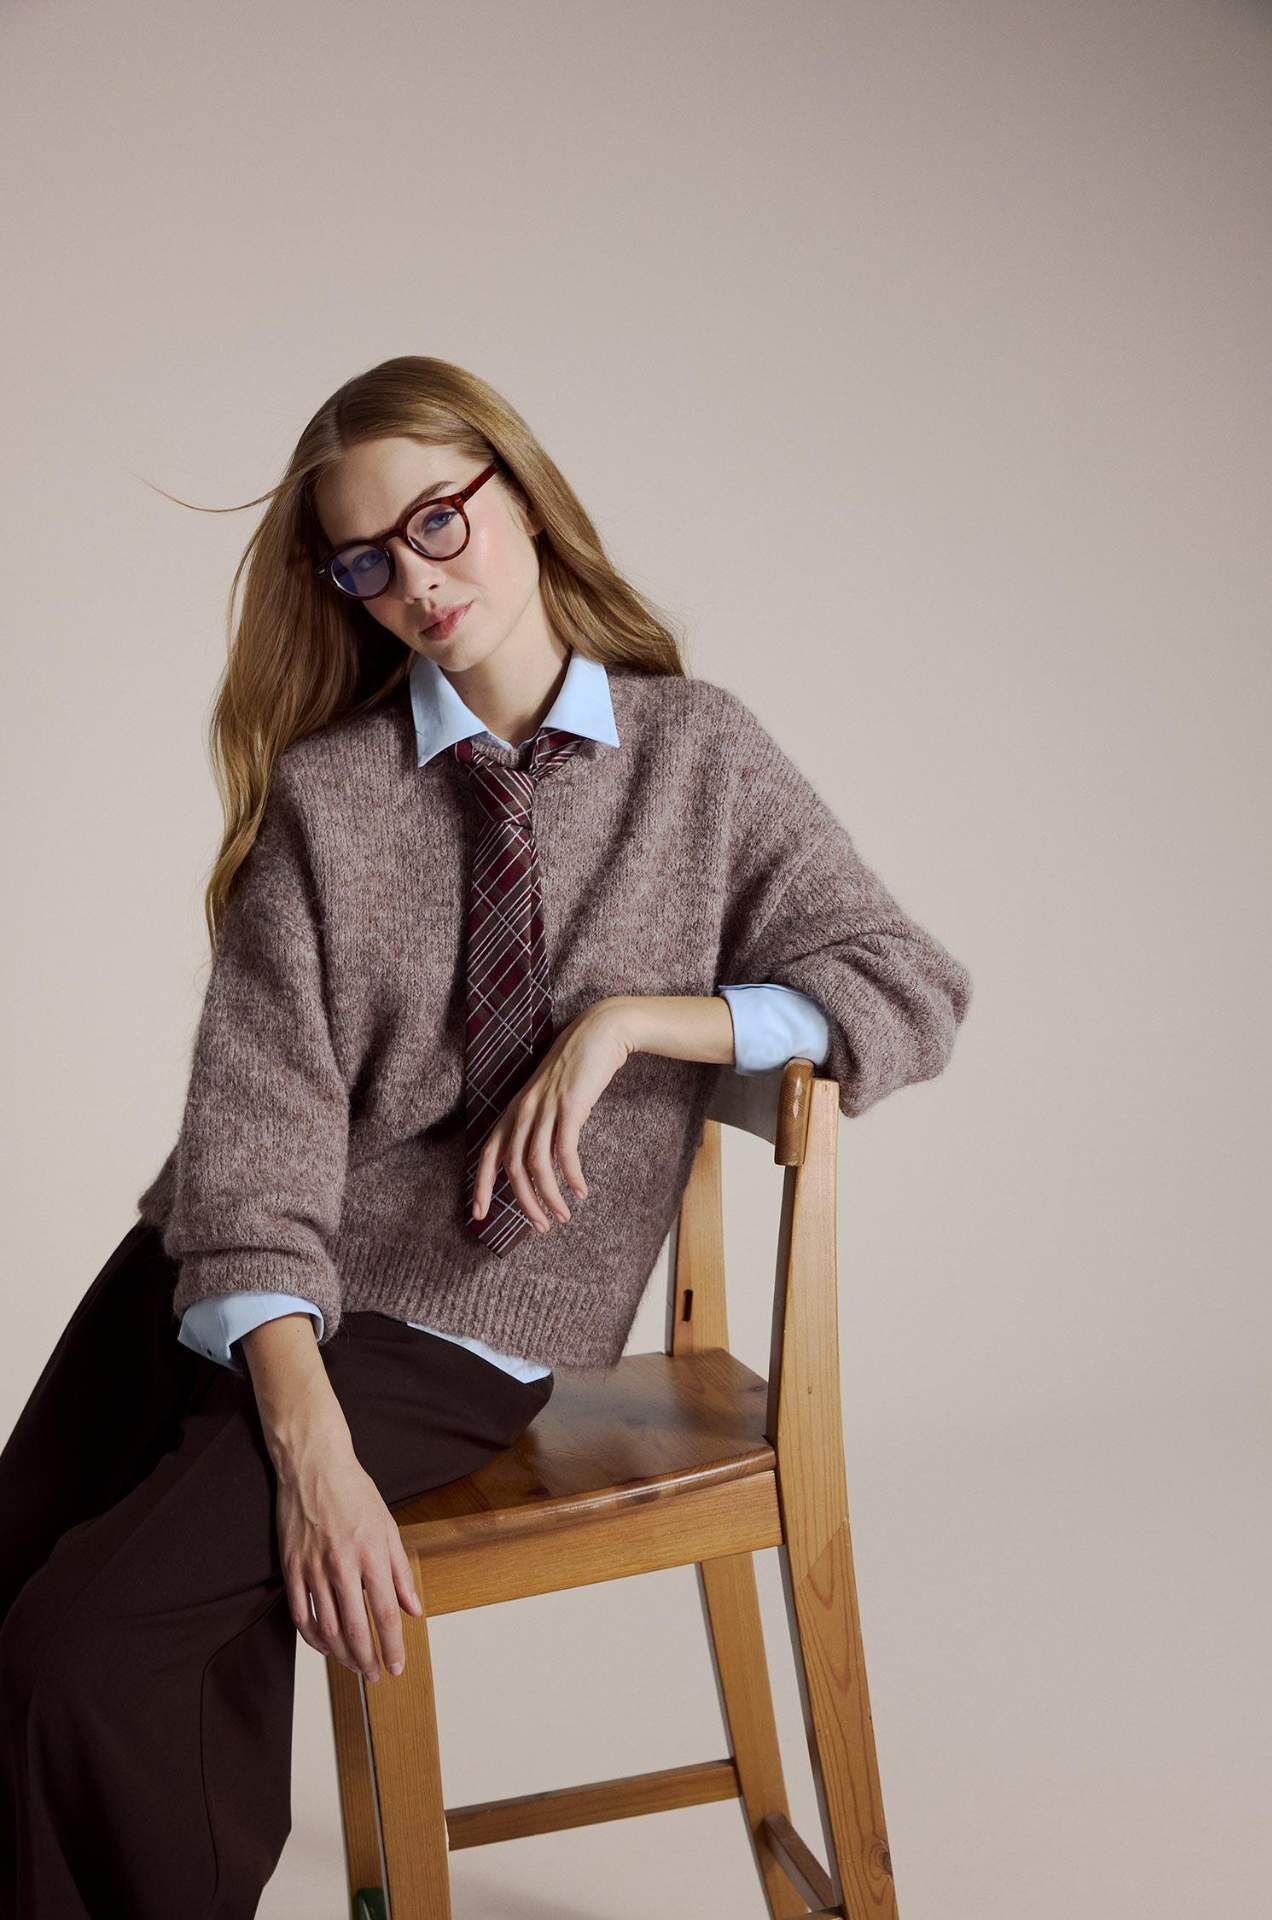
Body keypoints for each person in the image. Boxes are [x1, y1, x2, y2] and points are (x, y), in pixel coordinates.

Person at [0, 353, 973, 1917]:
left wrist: (638, 1020)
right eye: (366, 563)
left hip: (455, 1320)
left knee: (79, 1646)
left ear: (520, 495)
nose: (416, 582)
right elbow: (255, 1133)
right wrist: (307, 1446)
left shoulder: (697, 755)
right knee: (24, 1583)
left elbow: (907, 989)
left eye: (438, 522)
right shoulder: (331, 797)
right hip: (241, 1269)